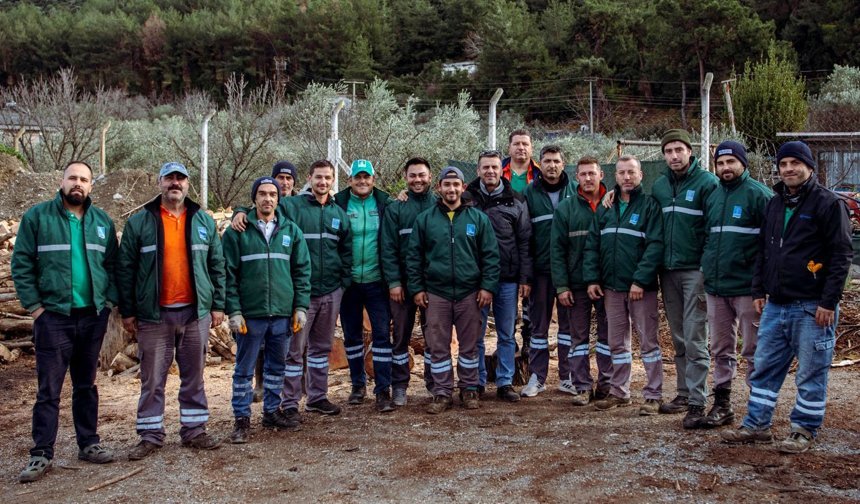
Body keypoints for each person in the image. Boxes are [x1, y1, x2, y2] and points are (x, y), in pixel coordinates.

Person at [722, 141, 852, 453]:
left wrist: (828, 302)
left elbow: (840, 256)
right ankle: (756, 425)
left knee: (811, 370)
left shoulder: (828, 204)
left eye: (795, 163)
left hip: (812, 307)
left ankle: (804, 429)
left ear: (809, 167)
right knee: (764, 366)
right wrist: (758, 289)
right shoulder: (775, 203)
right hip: (776, 305)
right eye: (783, 164)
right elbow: (764, 251)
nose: (789, 169)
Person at [13, 161, 119, 482]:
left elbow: (113, 268)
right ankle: (41, 453)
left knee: (86, 385)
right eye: (72, 177)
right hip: (53, 318)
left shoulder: (101, 221)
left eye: (84, 179)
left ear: (90, 186)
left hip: (91, 317)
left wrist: (108, 305)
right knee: (49, 389)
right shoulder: (37, 217)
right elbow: (21, 264)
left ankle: (89, 443)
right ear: (61, 181)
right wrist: (36, 309)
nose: (78, 183)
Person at [118, 162, 225, 460]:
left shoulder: (203, 221)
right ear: (159, 182)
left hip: (195, 313)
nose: (175, 183)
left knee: (194, 375)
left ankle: (194, 431)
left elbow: (217, 265)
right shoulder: (141, 222)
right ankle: (150, 434)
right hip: (154, 315)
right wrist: (128, 310)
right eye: (169, 178)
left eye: (180, 178)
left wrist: (217, 305)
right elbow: (125, 269)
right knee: (152, 378)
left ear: (188, 184)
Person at [230, 160, 352, 419]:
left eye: (328, 178)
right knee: (293, 352)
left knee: (321, 349)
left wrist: (343, 283)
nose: (323, 182)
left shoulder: (338, 213)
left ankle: (317, 396)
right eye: (318, 177)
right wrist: (238, 212)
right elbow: (263, 205)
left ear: (333, 181)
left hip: (331, 291)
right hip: (301, 295)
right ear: (309, 178)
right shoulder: (293, 206)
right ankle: (289, 403)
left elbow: (347, 251)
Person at [222, 177, 311, 443]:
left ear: (278, 199)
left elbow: (302, 271)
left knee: (276, 367)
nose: (268, 199)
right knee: (244, 368)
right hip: (251, 314)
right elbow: (228, 274)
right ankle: (241, 418)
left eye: (272, 194)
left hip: (282, 314)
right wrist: (234, 311)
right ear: (254, 198)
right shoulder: (237, 232)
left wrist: (300, 307)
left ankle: (272, 411)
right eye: (262, 194)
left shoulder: (290, 231)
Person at [406, 166, 500, 414]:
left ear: (463, 187)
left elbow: (490, 256)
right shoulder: (425, 219)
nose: (452, 189)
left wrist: (487, 287)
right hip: (436, 293)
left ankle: (469, 389)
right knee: (438, 346)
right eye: (447, 185)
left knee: (469, 346)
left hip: (470, 293)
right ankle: (441, 392)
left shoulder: (477, 219)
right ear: (439, 188)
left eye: (456, 184)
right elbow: (413, 257)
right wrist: (417, 289)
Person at [698, 141, 772, 429]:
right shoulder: (714, 196)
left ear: (743, 163)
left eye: (731, 162)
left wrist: (762, 285)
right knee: (720, 349)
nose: (726, 168)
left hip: (748, 289)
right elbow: (708, 237)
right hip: (717, 287)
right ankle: (722, 404)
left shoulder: (759, 195)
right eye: (721, 163)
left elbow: (770, 246)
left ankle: (758, 409)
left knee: (754, 350)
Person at [584, 156, 664, 414]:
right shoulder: (606, 208)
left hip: (641, 288)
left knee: (648, 342)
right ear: (614, 176)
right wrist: (593, 278)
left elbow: (655, 246)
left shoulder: (650, 206)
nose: (627, 177)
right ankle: (620, 391)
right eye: (621, 173)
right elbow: (593, 245)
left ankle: (653, 394)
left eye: (631, 172)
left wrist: (640, 280)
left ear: (641, 175)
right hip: (612, 287)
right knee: (618, 342)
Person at [651, 129, 718, 427]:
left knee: (694, 336)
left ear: (690, 152)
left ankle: (697, 399)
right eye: (668, 151)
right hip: (668, 271)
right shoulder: (661, 186)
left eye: (679, 149)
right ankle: (682, 393)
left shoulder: (707, 183)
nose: (674, 156)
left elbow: (715, 226)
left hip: (695, 271)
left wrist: (706, 265)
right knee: (678, 335)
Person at [465, 150, 532, 402]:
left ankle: (505, 382)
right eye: (485, 168)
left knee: (506, 333)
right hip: (474, 279)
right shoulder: (466, 198)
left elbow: (525, 240)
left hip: (507, 277)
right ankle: (479, 380)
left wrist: (525, 278)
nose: (490, 172)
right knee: (477, 333)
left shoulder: (516, 200)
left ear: (501, 169)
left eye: (494, 167)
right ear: (478, 170)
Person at [334, 160, 395, 412]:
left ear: (373, 179)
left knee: (381, 335)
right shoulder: (338, 203)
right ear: (349, 180)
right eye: (357, 177)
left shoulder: (385, 203)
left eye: (366, 177)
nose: (362, 181)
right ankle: (358, 385)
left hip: (376, 280)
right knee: (352, 336)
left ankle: (383, 390)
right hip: (348, 282)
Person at [550, 156, 611, 406]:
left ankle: (607, 384)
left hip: (608, 284)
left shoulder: (613, 204)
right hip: (576, 285)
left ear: (601, 175)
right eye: (583, 174)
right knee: (578, 338)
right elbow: (557, 250)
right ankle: (582, 386)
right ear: (577, 177)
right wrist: (562, 286)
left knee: (608, 338)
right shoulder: (566, 208)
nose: (588, 178)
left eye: (592, 173)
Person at [380, 157, 436, 405]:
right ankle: (400, 386)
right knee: (401, 336)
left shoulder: (440, 204)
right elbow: (388, 248)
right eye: (412, 175)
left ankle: (435, 384)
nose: (417, 180)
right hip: (402, 286)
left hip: (433, 285)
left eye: (422, 175)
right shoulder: (396, 208)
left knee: (434, 336)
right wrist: (394, 282)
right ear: (405, 178)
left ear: (430, 177)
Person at [521, 145, 576, 397]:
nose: (551, 165)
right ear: (539, 164)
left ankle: (568, 377)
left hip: (570, 273)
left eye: (556, 161)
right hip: (541, 272)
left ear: (563, 164)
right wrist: (527, 275)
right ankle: (537, 377)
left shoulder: (575, 191)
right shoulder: (529, 194)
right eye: (547, 161)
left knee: (568, 327)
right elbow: (524, 238)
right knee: (538, 327)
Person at [249, 160, 299, 403]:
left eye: (289, 179)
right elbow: (248, 209)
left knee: (293, 342)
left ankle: (293, 388)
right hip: (261, 287)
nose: (285, 182)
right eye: (280, 177)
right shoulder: (263, 204)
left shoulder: (301, 203)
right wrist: (239, 211)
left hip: (287, 280)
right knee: (260, 344)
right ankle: (260, 384)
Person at [502, 129, 540, 351]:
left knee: (528, 291)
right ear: (509, 147)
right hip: (505, 240)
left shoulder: (539, 173)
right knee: (506, 294)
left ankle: (528, 337)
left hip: (532, 237)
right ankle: (510, 339)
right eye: (516, 143)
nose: (521, 148)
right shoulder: (499, 171)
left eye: (525, 144)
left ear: (531, 147)